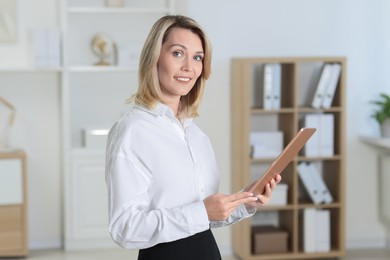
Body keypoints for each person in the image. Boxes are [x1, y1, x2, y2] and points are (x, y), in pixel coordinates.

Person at [105, 15, 281, 260]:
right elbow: (125, 228)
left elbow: (204, 217)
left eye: (197, 57)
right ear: (154, 57)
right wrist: (202, 212)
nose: (189, 66)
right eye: (178, 53)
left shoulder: (196, 136)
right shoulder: (132, 131)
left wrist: (246, 200)